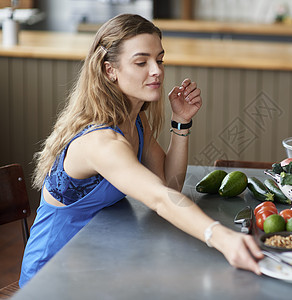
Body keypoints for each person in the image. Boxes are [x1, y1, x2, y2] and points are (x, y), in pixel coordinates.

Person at [19, 13, 263, 287]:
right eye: (141, 62)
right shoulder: (100, 143)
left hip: (96, 262)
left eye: (159, 59)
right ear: (110, 70)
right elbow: (159, 198)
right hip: (52, 276)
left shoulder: (135, 120)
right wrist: (223, 238)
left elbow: (169, 184)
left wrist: (181, 123)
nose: (157, 70)